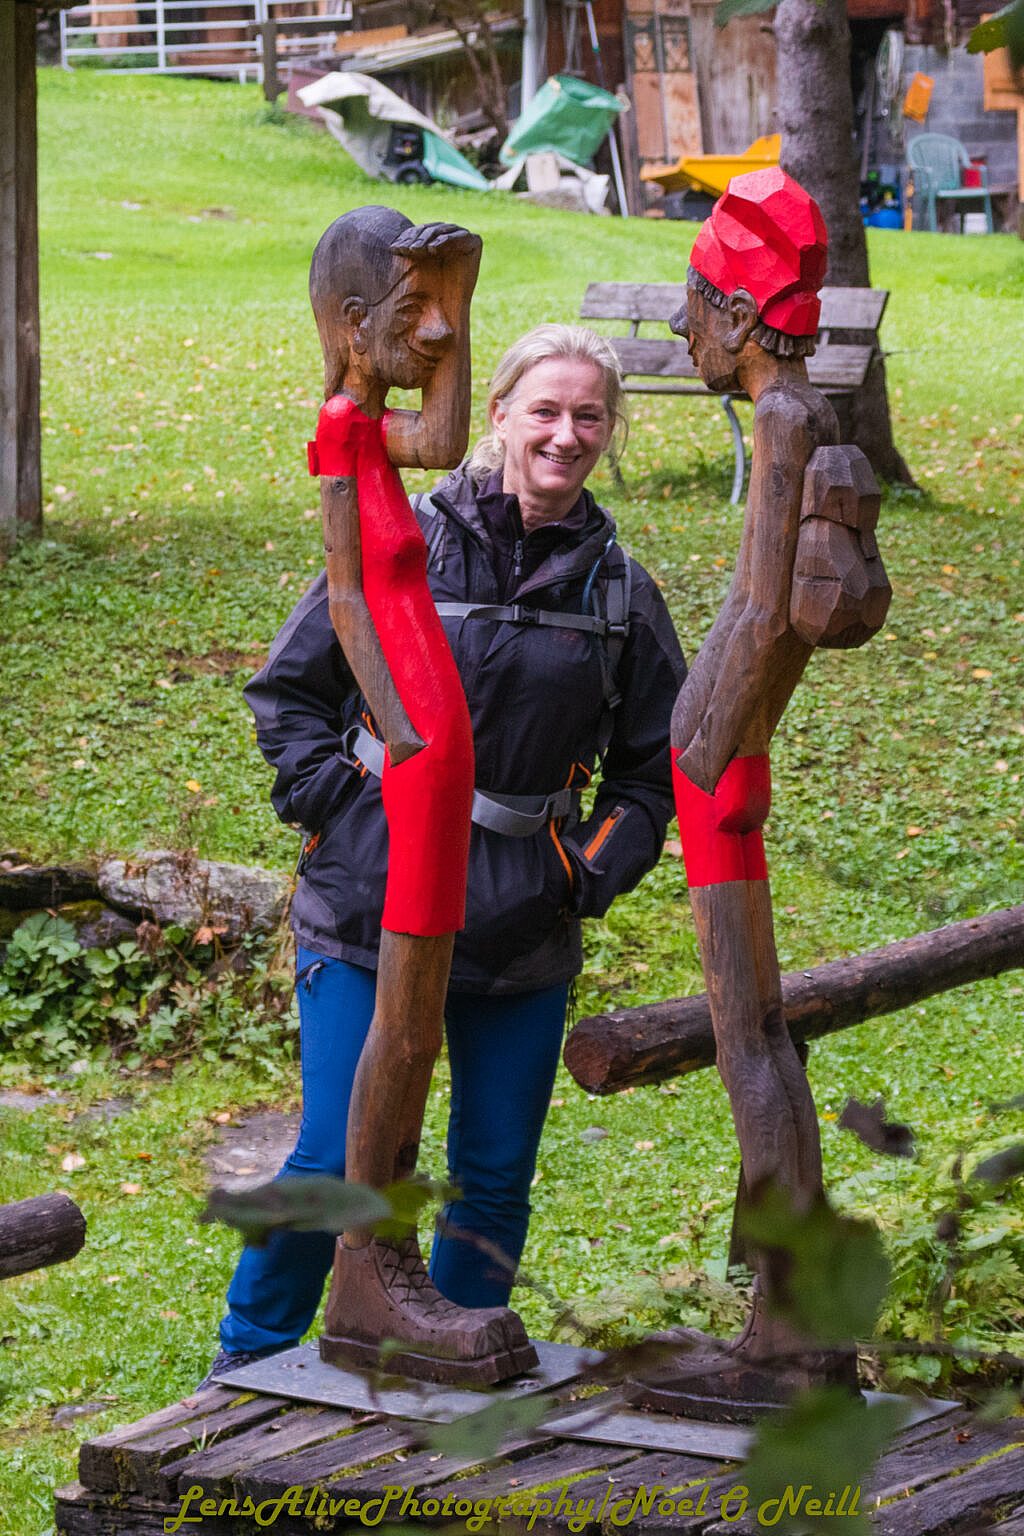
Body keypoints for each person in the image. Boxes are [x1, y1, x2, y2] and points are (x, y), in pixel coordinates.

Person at [199, 321, 686, 1386]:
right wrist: (344, 810)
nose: (565, 434)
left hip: (520, 926)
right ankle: (247, 1361)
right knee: (335, 1159)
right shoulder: (396, 545)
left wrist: (584, 869)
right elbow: (289, 694)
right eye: (544, 409)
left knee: (492, 1176)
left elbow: (655, 772)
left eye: (588, 415)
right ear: (499, 413)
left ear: (608, 432)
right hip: (366, 907)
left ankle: (443, 1364)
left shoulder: (618, 592)